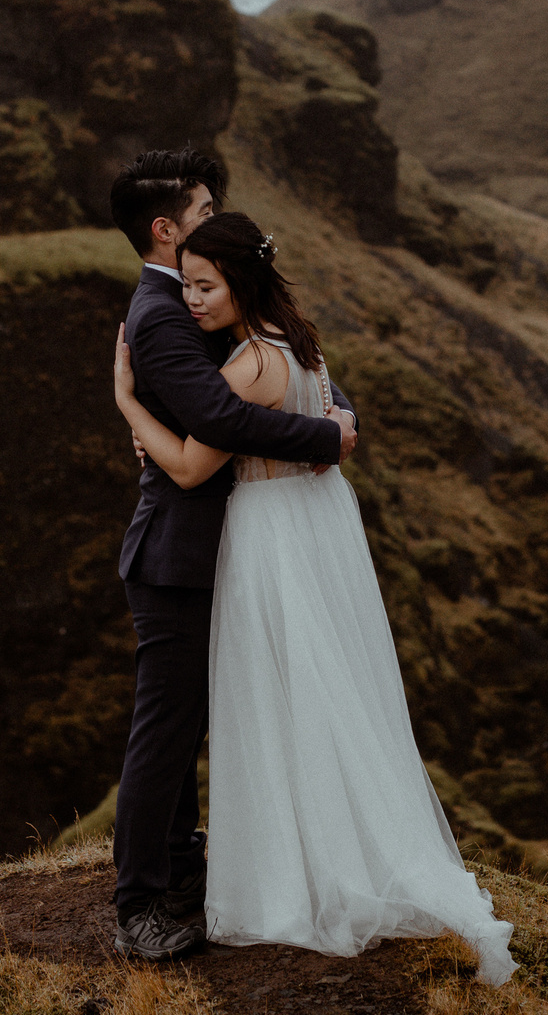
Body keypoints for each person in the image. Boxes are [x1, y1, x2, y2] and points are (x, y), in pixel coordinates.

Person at [112, 209, 515, 986]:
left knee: (269, 700)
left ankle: (289, 873)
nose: (192, 299)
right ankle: (330, 849)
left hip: (265, 541)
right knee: (320, 696)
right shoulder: (304, 346)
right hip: (310, 529)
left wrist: (131, 403)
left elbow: (194, 465)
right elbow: (315, 425)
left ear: (241, 282)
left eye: (205, 285)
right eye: (186, 284)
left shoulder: (250, 364)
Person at [106, 149, 359, 962]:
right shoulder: (162, 313)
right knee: (166, 731)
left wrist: (335, 410)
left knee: (189, 729)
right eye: (205, 206)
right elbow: (222, 414)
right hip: (177, 554)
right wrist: (326, 435)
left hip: (229, 549)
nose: (216, 217)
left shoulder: (205, 301)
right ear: (165, 226)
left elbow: (287, 363)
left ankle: (182, 876)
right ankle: (141, 901)